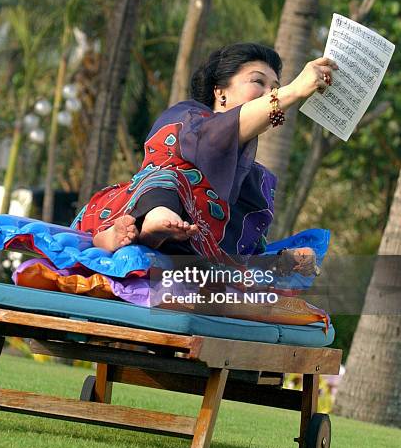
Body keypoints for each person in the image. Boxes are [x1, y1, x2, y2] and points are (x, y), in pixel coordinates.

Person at [73, 43, 337, 275]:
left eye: (275, 88)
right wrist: (294, 91)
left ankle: (145, 236)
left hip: (191, 246)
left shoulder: (255, 177)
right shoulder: (188, 117)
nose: (270, 93)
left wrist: (279, 262)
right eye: (258, 82)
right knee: (172, 178)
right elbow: (213, 138)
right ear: (220, 91)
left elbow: (240, 251)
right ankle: (126, 231)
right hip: (139, 209)